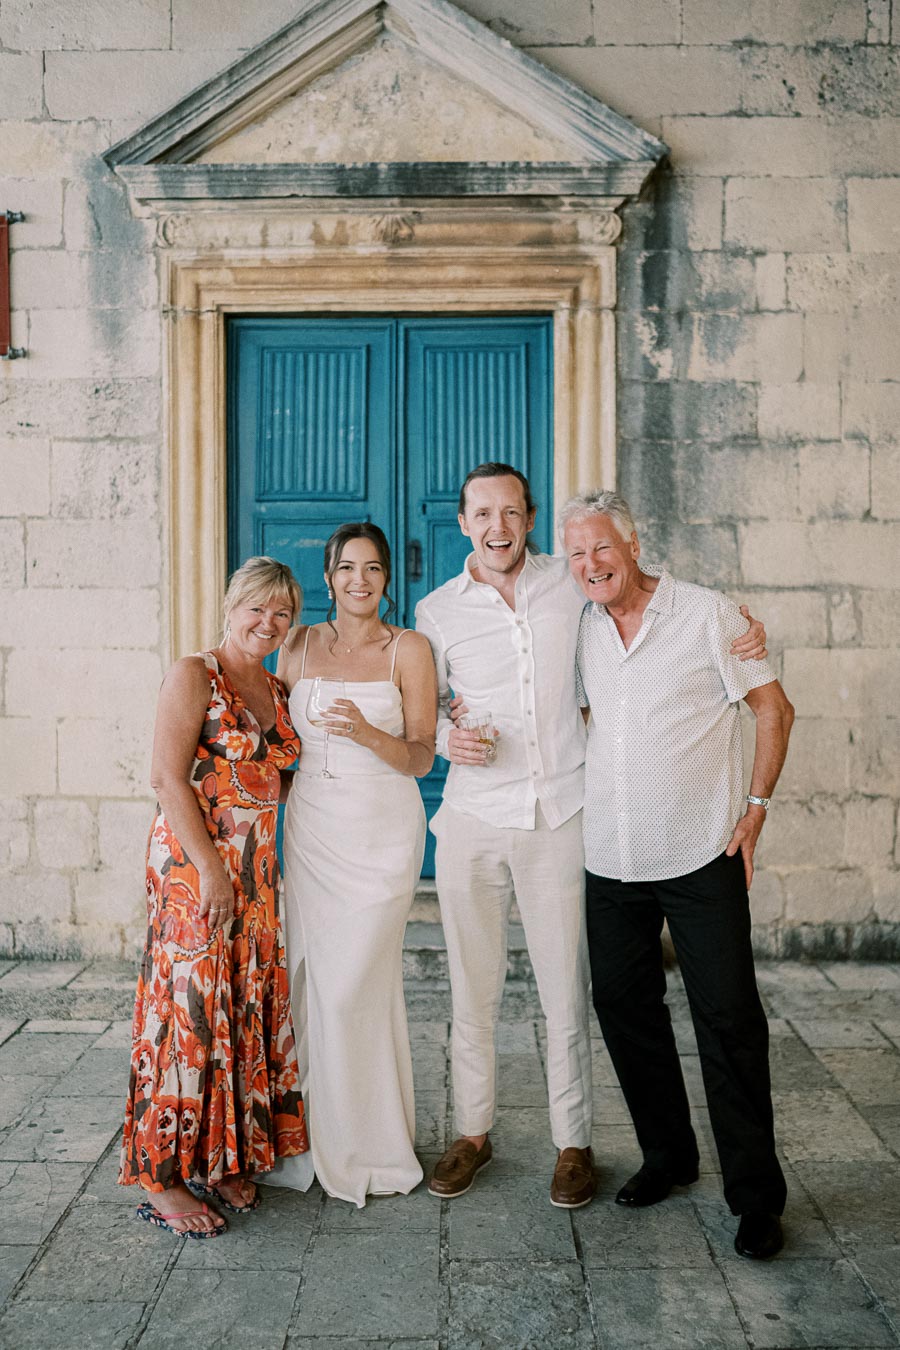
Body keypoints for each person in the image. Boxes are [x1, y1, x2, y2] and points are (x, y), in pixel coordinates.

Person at [415, 464, 769, 1209]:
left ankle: (573, 1144)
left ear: (530, 517)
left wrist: (741, 627)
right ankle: (472, 1133)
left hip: (567, 819)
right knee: (475, 989)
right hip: (478, 818)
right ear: (462, 522)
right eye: (482, 512)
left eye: (510, 510)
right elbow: (429, 711)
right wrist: (450, 739)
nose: (497, 525)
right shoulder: (435, 611)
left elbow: (654, 600)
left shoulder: (568, 588)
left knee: (570, 994)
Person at [562, 489, 794, 1260]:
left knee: (728, 1019)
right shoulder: (582, 626)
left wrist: (755, 806)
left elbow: (774, 707)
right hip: (611, 858)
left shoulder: (710, 614)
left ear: (632, 546)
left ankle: (756, 1198)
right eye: (577, 555)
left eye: (602, 549)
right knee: (624, 1006)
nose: (591, 565)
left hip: (703, 852)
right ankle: (669, 1155)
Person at [120, 556, 310, 1238]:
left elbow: (277, 780)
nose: (268, 621)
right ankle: (162, 1174)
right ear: (231, 607)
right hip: (193, 870)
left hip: (256, 876)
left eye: (282, 612)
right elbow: (167, 779)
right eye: (256, 608)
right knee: (189, 1011)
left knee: (238, 1004)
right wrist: (212, 869)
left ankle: (223, 1155)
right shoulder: (194, 673)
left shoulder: (275, 685)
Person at [269, 522, 438, 1207]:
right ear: (330, 577)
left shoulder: (411, 650)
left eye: (372, 569)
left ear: (386, 578)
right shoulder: (298, 643)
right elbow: (277, 745)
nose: (359, 581)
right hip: (312, 830)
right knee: (311, 985)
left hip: (383, 835)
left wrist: (369, 733)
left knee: (353, 988)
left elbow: (423, 755)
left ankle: (369, 1148)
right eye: (347, 569)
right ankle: (306, 1140)